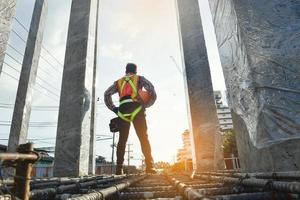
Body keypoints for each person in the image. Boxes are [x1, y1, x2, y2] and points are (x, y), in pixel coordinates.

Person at [104, 63, 157, 174]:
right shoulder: (140, 79)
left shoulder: (118, 82)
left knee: (122, 140)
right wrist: (146, 105)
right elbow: (151, 90)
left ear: (126, 71)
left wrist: (114, 109)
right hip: (137, 109)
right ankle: (150, 167)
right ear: (135, 71)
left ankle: (119, 169)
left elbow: (106, 94)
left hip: (123, 111)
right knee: (143, 137)